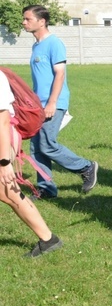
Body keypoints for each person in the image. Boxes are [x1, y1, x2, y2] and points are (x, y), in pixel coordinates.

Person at [21, 5, 98, 199]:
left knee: (47, 144)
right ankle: (46, 188)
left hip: (53, 103)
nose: (24, 22)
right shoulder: (36, 45)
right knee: (36, 147)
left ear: (42, 21)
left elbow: (60, 74)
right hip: (38, 104)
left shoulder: (54, 43)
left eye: (28, 19)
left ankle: (86, 167)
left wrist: (52, 103)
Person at [0, 70, 63, 257]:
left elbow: (2, 122)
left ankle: (48, 239)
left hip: (2, 142)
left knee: (7, 191)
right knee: (7, 192)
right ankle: (48, 239)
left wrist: (4, 162)